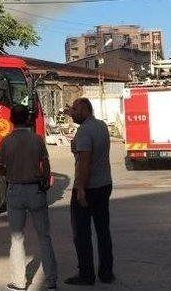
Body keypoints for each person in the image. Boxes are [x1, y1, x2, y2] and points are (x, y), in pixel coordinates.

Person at [0, 104, 57, 291]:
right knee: (44, 236)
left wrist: (11, 171)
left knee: (17, 238)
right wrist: (44, 182)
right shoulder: (37, 140)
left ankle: (19, 282)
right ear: (28, 120)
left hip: (15, 191)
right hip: (36, 190)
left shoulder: (6, 142)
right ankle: (51, 281)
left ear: (11, 119)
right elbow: (45, 167)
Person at [65, 97, 115, 286]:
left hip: (89, 187)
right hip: (105, 184)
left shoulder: (85, 131)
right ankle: (106, 273)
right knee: (103, 231)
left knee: (81, 233)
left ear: (86, 110)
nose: (73, 112)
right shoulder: (101, 125)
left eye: (76, 110)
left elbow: (84, 162)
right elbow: (77, 150)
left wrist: (80, 189)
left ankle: (86, 274)